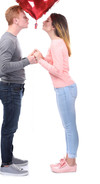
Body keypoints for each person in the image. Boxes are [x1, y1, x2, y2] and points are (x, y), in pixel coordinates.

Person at [34, 13, 79, 173]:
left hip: (65, 89)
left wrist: (40, 60)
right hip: (65, 89)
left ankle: (71, 163)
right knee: (69, 126)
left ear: (53, 26)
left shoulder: (56, 43)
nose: (44, 22)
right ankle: (69, 159)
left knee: (69, 127)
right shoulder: (55, 42)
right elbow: (50, 62)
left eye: (47, 21)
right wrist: (40, 57)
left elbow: (58, 71)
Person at [0, 5, 37, 176]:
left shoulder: (13, 38)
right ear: (15, 20)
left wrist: (27, 58)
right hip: (10, 89)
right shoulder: (8, 40)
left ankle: (9, 157)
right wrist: (27, 61)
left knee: (11, 126)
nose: (27, 19)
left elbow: (12, 62)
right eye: (24, 16)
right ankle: (6, 165)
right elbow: (4, 67)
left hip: (15, 88)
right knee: (9, 127)